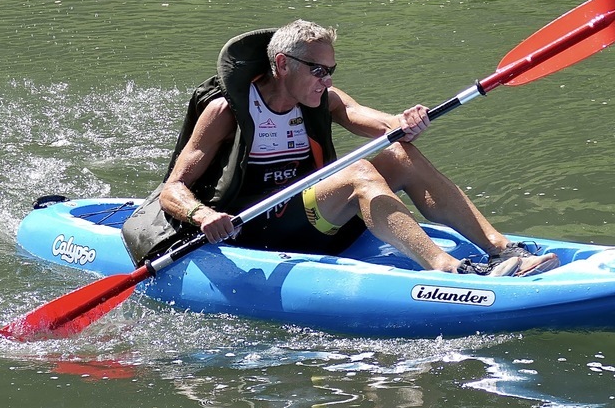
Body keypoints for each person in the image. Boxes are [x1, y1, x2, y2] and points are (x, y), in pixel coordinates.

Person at [121, 20, 558, 277]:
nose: (326, 80)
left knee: (399, 154)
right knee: (358, 174)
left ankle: (502, 249)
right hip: (255, 230)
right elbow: (173, 189)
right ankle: (450, 272)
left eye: (331, 69)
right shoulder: (225, 111)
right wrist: (202, 216)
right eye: (317, 70)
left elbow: (374, 121)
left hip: (310, 216)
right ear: (282, 64)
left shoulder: (323, 99)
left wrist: (405, 122)